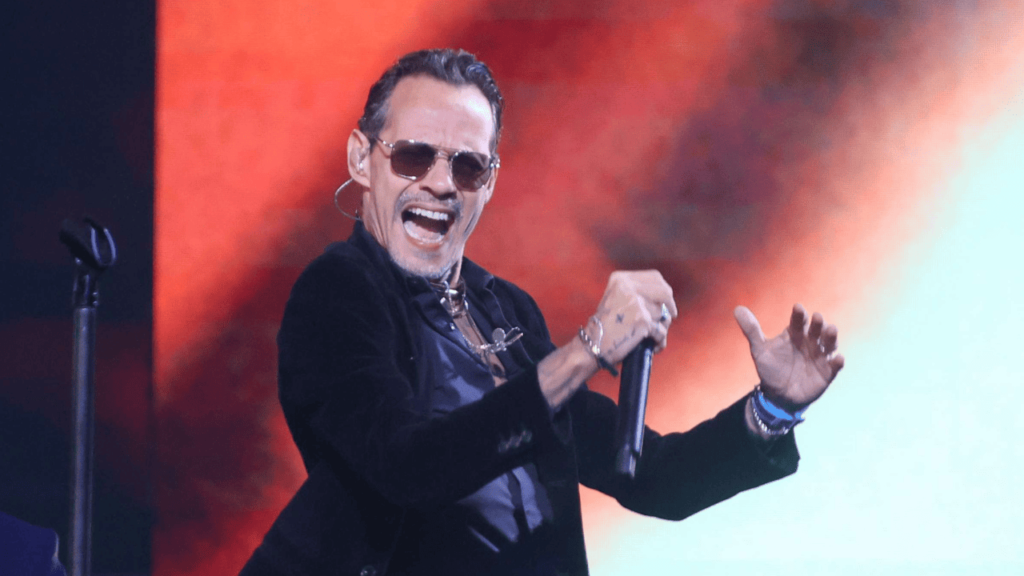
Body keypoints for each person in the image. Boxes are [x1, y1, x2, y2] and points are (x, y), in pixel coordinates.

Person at [240, 48, 844, 576]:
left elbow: (653, 477)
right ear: (360, 158)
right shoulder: (336, 294)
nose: (441, 184)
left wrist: (773, 408)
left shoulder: (505, 308)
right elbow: (409, 468)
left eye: (468, 165)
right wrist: (586, 351)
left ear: (489, 183)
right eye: (413, 156)